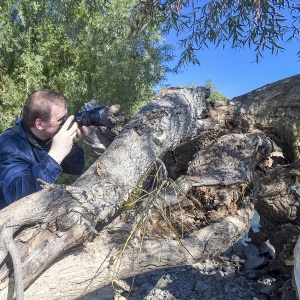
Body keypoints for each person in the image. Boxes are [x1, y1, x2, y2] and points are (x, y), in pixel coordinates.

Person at [0, 89, 89, 209]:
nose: (65, 122)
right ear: (40, 124)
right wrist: (54, 157)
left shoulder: (49, 134)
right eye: (60, 119)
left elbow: (77, 168)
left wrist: (71, 144)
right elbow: (17, 197)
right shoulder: (10, 145)